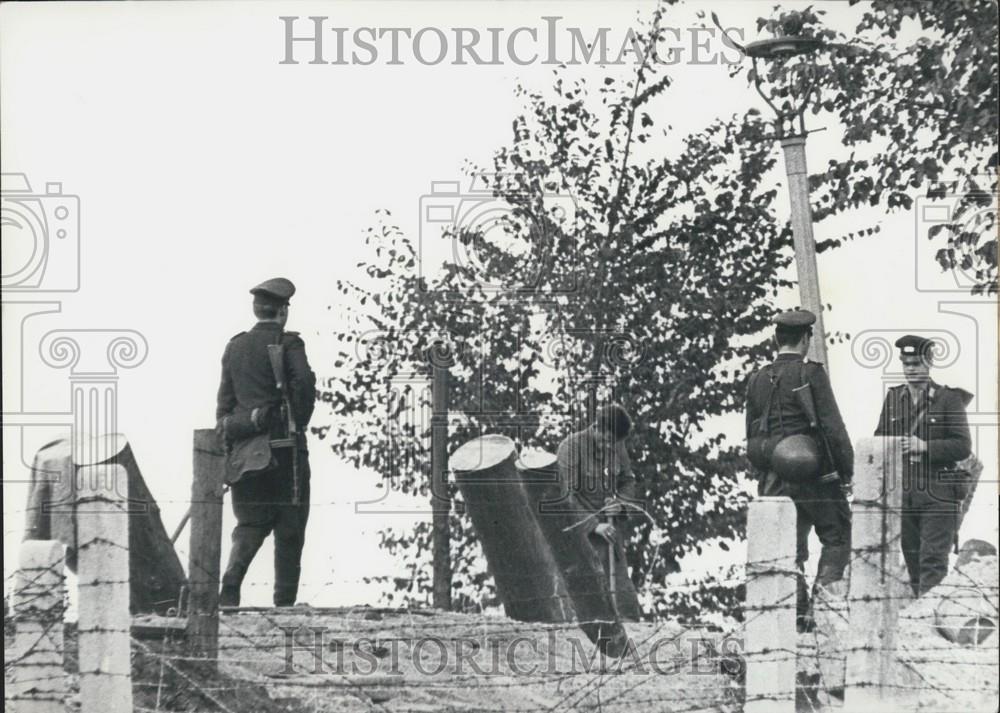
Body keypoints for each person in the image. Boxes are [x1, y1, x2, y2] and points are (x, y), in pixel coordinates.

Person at [744, 309, 853, 630]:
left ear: (777, 340)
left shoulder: (757, 379)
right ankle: (822, 608)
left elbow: (752, 435)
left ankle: (797, 618)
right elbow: (833, 427)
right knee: (837, 537)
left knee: (787, 551)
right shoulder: (812, 374)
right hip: (816, 478)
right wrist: (848, 470)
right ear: (806, 339)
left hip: (775, 481)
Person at [217, 277, 316, 607]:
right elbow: (303, 382)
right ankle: (284, 605)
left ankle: (231, 581)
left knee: (248, 524)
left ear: (256, 310)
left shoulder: (235, 347)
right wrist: (297, 423)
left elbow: (224, 407)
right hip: (285, 451)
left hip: (246, 454)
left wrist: (232, 446)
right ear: (283, 311)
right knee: (290, 528)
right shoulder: (289, 344)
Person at [874, 335, 973, 596]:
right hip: (904, 492)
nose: (911, 369)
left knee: (932, 562)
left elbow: (962, 446)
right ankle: (920, 624)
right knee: (913, 562)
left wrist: (925, 447)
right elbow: (879, 439)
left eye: (917, 363)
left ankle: (930, 625)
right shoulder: (895, 398)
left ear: (929, 363)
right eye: (906, 363)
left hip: (938, 491)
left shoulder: (948, 399)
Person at [556, 403, 643, 621]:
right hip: (578, 538)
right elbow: (565, 497)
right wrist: (594, 525)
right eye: (606, 441)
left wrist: (620, 504)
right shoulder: (571, 448)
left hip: (610, 538)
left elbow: (628, 480)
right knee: (581, 608)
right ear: (597, 427)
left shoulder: (616, 444)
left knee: (626, 608)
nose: (609, 448)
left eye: (614, 444)